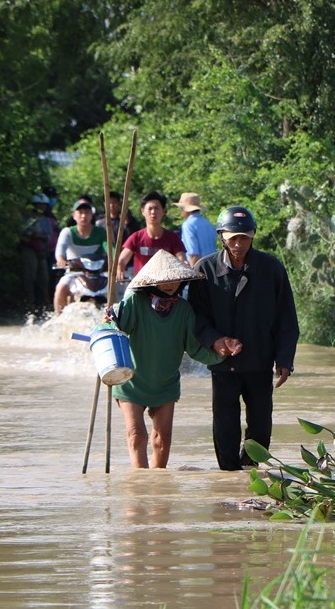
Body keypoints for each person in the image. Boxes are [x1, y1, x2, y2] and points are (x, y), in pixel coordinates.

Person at [188, 206, 299, 471]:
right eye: (233, 237)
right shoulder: (205, 270)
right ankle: (228, 480)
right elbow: (196, 318)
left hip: (260, 361)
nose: (238, 244)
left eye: (244, 238)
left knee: (261, 426)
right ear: (221, 236)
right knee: (225, 426)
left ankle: (250, 477)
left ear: (253, 236)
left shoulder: (271, 268)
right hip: (222, 364)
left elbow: (287, 319)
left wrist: (284, 360)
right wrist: (215, 340)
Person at [107, 250, 226, 468]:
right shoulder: (135, 300)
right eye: (164, 279)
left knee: (162, 440)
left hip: (165, 384)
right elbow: (118, 328)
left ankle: (158, 493)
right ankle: (140, 489)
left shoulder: (184, 309)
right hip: (132, 381)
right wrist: (112, 315)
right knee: (136, 435)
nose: (170, 283)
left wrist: (221, 355)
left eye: (174, 278)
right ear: (152, 280)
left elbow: (194, 349)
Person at [54, 198, 109, 314]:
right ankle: (58, 316)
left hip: (97, 272)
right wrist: (61, 260)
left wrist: (117, 261)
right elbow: (60, 251)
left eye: (87, 212)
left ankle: (117, 319)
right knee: (61, 287)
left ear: (91, 215)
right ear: (74, 215)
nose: (83, 216)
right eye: (80, 212)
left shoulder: (101, 232)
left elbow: (110, 248)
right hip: (74, 272)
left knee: (116, 287)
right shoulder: (67, 232)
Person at [116, 191, 187, 275]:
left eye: (156, 208)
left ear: (163, 211)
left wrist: (185, 265)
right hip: (141, 285)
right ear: (143, 211)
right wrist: (120, 267)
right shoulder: (136, 237)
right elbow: (122, 259)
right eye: (150, 208)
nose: (153, 212)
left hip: (166, 285)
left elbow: (182, 259)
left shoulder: (173, 238)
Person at [19, 192, 54, 310]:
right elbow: (24, 234)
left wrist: (39, 237)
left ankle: (46, 306)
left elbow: (48, 236)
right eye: (38, 205)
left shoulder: (46, 220)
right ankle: (30, 306)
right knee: (29, 278)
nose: (41, 208)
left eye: (43, 205)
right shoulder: (27, 219)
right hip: (29, 250)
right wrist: (35, 236)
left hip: (42, 251)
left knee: (44, 279)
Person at [173, 192, 217, 267]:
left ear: (186, 209)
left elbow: (193, 255)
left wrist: (194, 274)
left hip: (200, 268)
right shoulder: (208, 223)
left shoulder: (188, 225)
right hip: (214, 266)